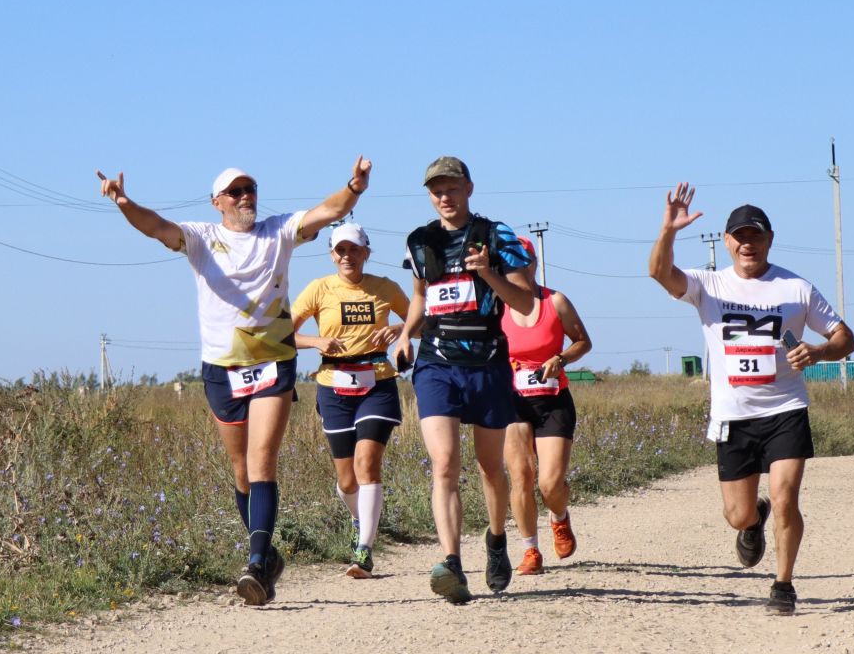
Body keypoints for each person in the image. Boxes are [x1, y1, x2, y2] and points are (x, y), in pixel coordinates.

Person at [97, 158, 371, 606]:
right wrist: (124, 203)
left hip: (273, 362)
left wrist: (353, 188)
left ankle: (257, 562)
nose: (246, 197)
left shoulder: (278, 232)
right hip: (221, 370)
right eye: (236, 191)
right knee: (241, 472)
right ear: (217, 202)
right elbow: (155, 227)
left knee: (262, 462)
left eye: (251, 189)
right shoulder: (202, 238)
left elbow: (326, 211)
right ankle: (267, 557)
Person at [648, 183, 854, 615]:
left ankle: (783, 584)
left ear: (769, 240)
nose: (748, 244)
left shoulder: (796, 288)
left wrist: (819, 351)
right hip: (733, 415)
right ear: (726, 242)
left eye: (756, 236)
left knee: (786, 498)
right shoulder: (708, 285)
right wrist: (668, 230)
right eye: (740, 237)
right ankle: (752, 521)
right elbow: (659, 273)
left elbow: (845, 338)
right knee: (738, 515)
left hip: (785, 408)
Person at [390, 156, 537, 605]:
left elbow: (526, 303)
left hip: (488, 362)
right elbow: (421, 297)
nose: (444, 197)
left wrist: (487, 272)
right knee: (445, 464)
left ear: (469, 188)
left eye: (452, 188)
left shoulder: (497, 236)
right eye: (436, 190)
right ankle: (452, 563)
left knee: (491, 468)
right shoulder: (420, 241)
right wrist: (404, 335)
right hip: (436, 362)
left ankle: (496, 541)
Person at [291, 221, 410, 577]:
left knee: (367, 464)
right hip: (333, 384)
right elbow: (282, 332)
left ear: (366, 254)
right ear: (332, 255)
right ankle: (361, 521)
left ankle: (364, 551)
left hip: (378, 382)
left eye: (354, 249)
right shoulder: (319, 289)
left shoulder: (385, 287)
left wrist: (400, 328)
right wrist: (316, 342)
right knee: (346, 482)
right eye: (341, 250)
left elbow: (419, 319)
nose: (348, 256)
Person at [500, 238, 595, 574]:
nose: (516, 269)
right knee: (521, 477)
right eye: (508, 264)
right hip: (511, 400)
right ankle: (530, 551)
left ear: (533, 263)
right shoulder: (496, 307)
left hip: (553, 401)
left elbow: (583, 341)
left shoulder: (556, 301)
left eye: (521, 262)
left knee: (550, 484)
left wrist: (561, 358)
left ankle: (559, 516)